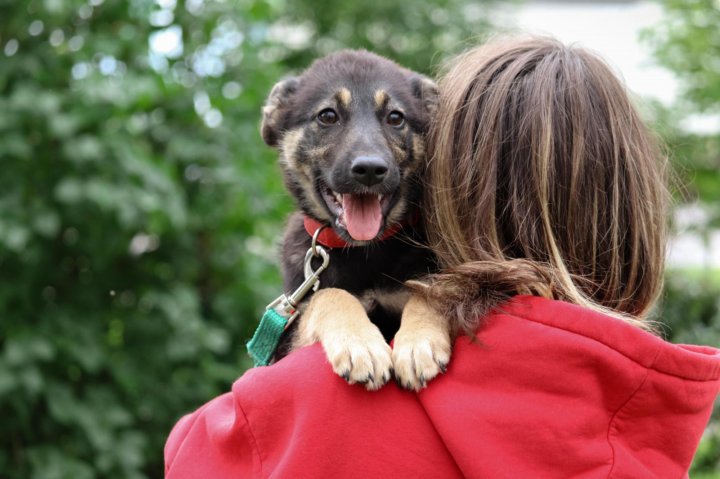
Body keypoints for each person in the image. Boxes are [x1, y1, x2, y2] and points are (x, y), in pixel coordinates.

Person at [164, 36, 720, 478]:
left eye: (396, 120)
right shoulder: (658, 406)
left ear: (448, 176)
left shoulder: (287, 419)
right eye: (328, 118)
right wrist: (327, 307)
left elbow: (199, 450)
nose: (367, 155)